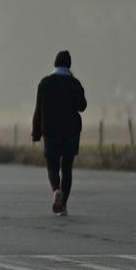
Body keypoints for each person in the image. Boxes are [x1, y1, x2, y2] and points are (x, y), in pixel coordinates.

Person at [31, 50, 87, 215]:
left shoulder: (45, 83)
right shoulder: (75, 83)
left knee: (52, 166)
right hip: (71, 131)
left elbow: (38, 109)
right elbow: (82, 106)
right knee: (67, 168)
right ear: (69, 64)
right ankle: (63, 206)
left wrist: (36, 132)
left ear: (55, 63)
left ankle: (56, 189)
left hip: (51, 130)